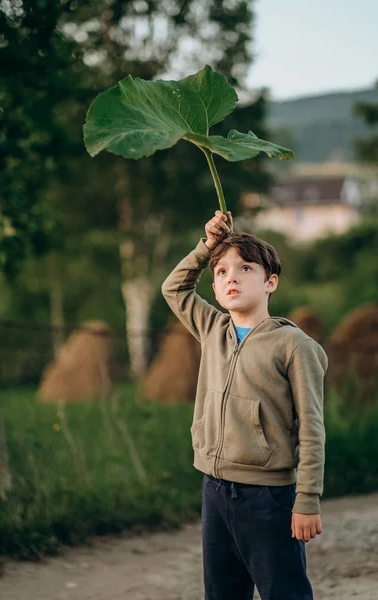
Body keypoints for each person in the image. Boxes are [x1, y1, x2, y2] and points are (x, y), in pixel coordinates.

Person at [161, 210, 328, 600]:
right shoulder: (211, 328)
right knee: (221, 593)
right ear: (216, 288)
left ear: (271, 282)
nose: (230, 276)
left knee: (284, 592)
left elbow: (311, 427)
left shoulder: (295, 346)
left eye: (245, 267)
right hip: (215, 488)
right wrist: (206, 248)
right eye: (221, 272)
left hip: (268, 496)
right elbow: (174, 289)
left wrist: (307, 500)